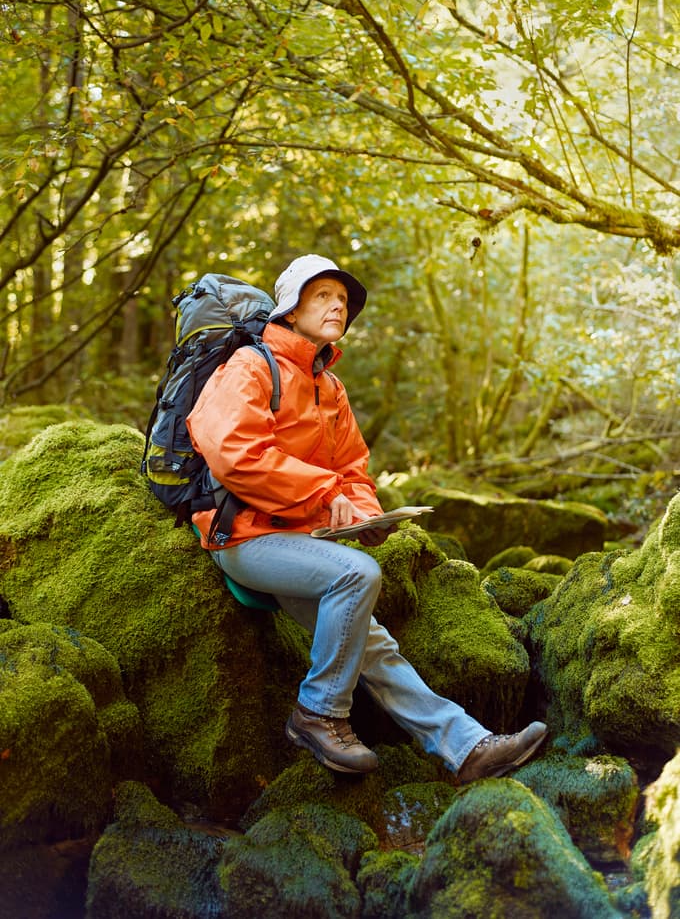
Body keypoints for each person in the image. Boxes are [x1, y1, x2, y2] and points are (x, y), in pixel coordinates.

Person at [187, 254, 547, 779]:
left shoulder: (331, 387)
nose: (337, 306)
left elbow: (353, 468)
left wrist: (365, 517)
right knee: (357, 574)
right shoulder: (250, 366)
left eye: (342, 300)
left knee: (372, 643)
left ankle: (466, 747)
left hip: (302, 541)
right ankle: (318, 713)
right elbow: (236, 455)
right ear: (290, 310)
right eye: (322, 296)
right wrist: (323, 493)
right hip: (242, 537)